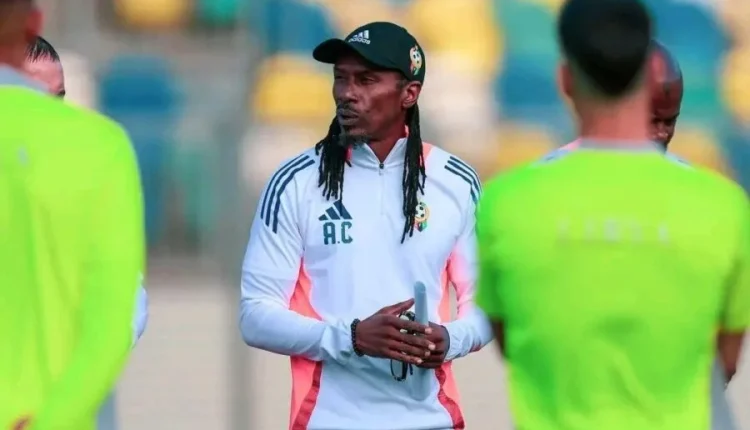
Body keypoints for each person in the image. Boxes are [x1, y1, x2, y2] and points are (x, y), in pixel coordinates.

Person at [475, 1, 750, 429]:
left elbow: (514, 343)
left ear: (565, 80)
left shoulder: (504, 202)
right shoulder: (724, 206)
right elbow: (723, 363)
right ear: (647, 76)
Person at [239, 21, 492, 430]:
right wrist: (352, 337)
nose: (347, 93)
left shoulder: (456, 181)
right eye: (341, 78)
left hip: (432, 420)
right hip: (327, 421)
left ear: (409, 93)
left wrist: (450, 339)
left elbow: (484, 302)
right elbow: (255, 315)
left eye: (366, 80)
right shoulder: (295, 182)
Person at [0, 1, 145, 429]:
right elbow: (110, 328)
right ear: (33, 22)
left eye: (58, 95)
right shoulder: (100, 149)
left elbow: (123, 317)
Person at [558, 39, 683, 153]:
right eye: (653, 121)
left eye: (669, 122)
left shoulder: (683, 171)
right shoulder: (561, 168)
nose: (662, 134)